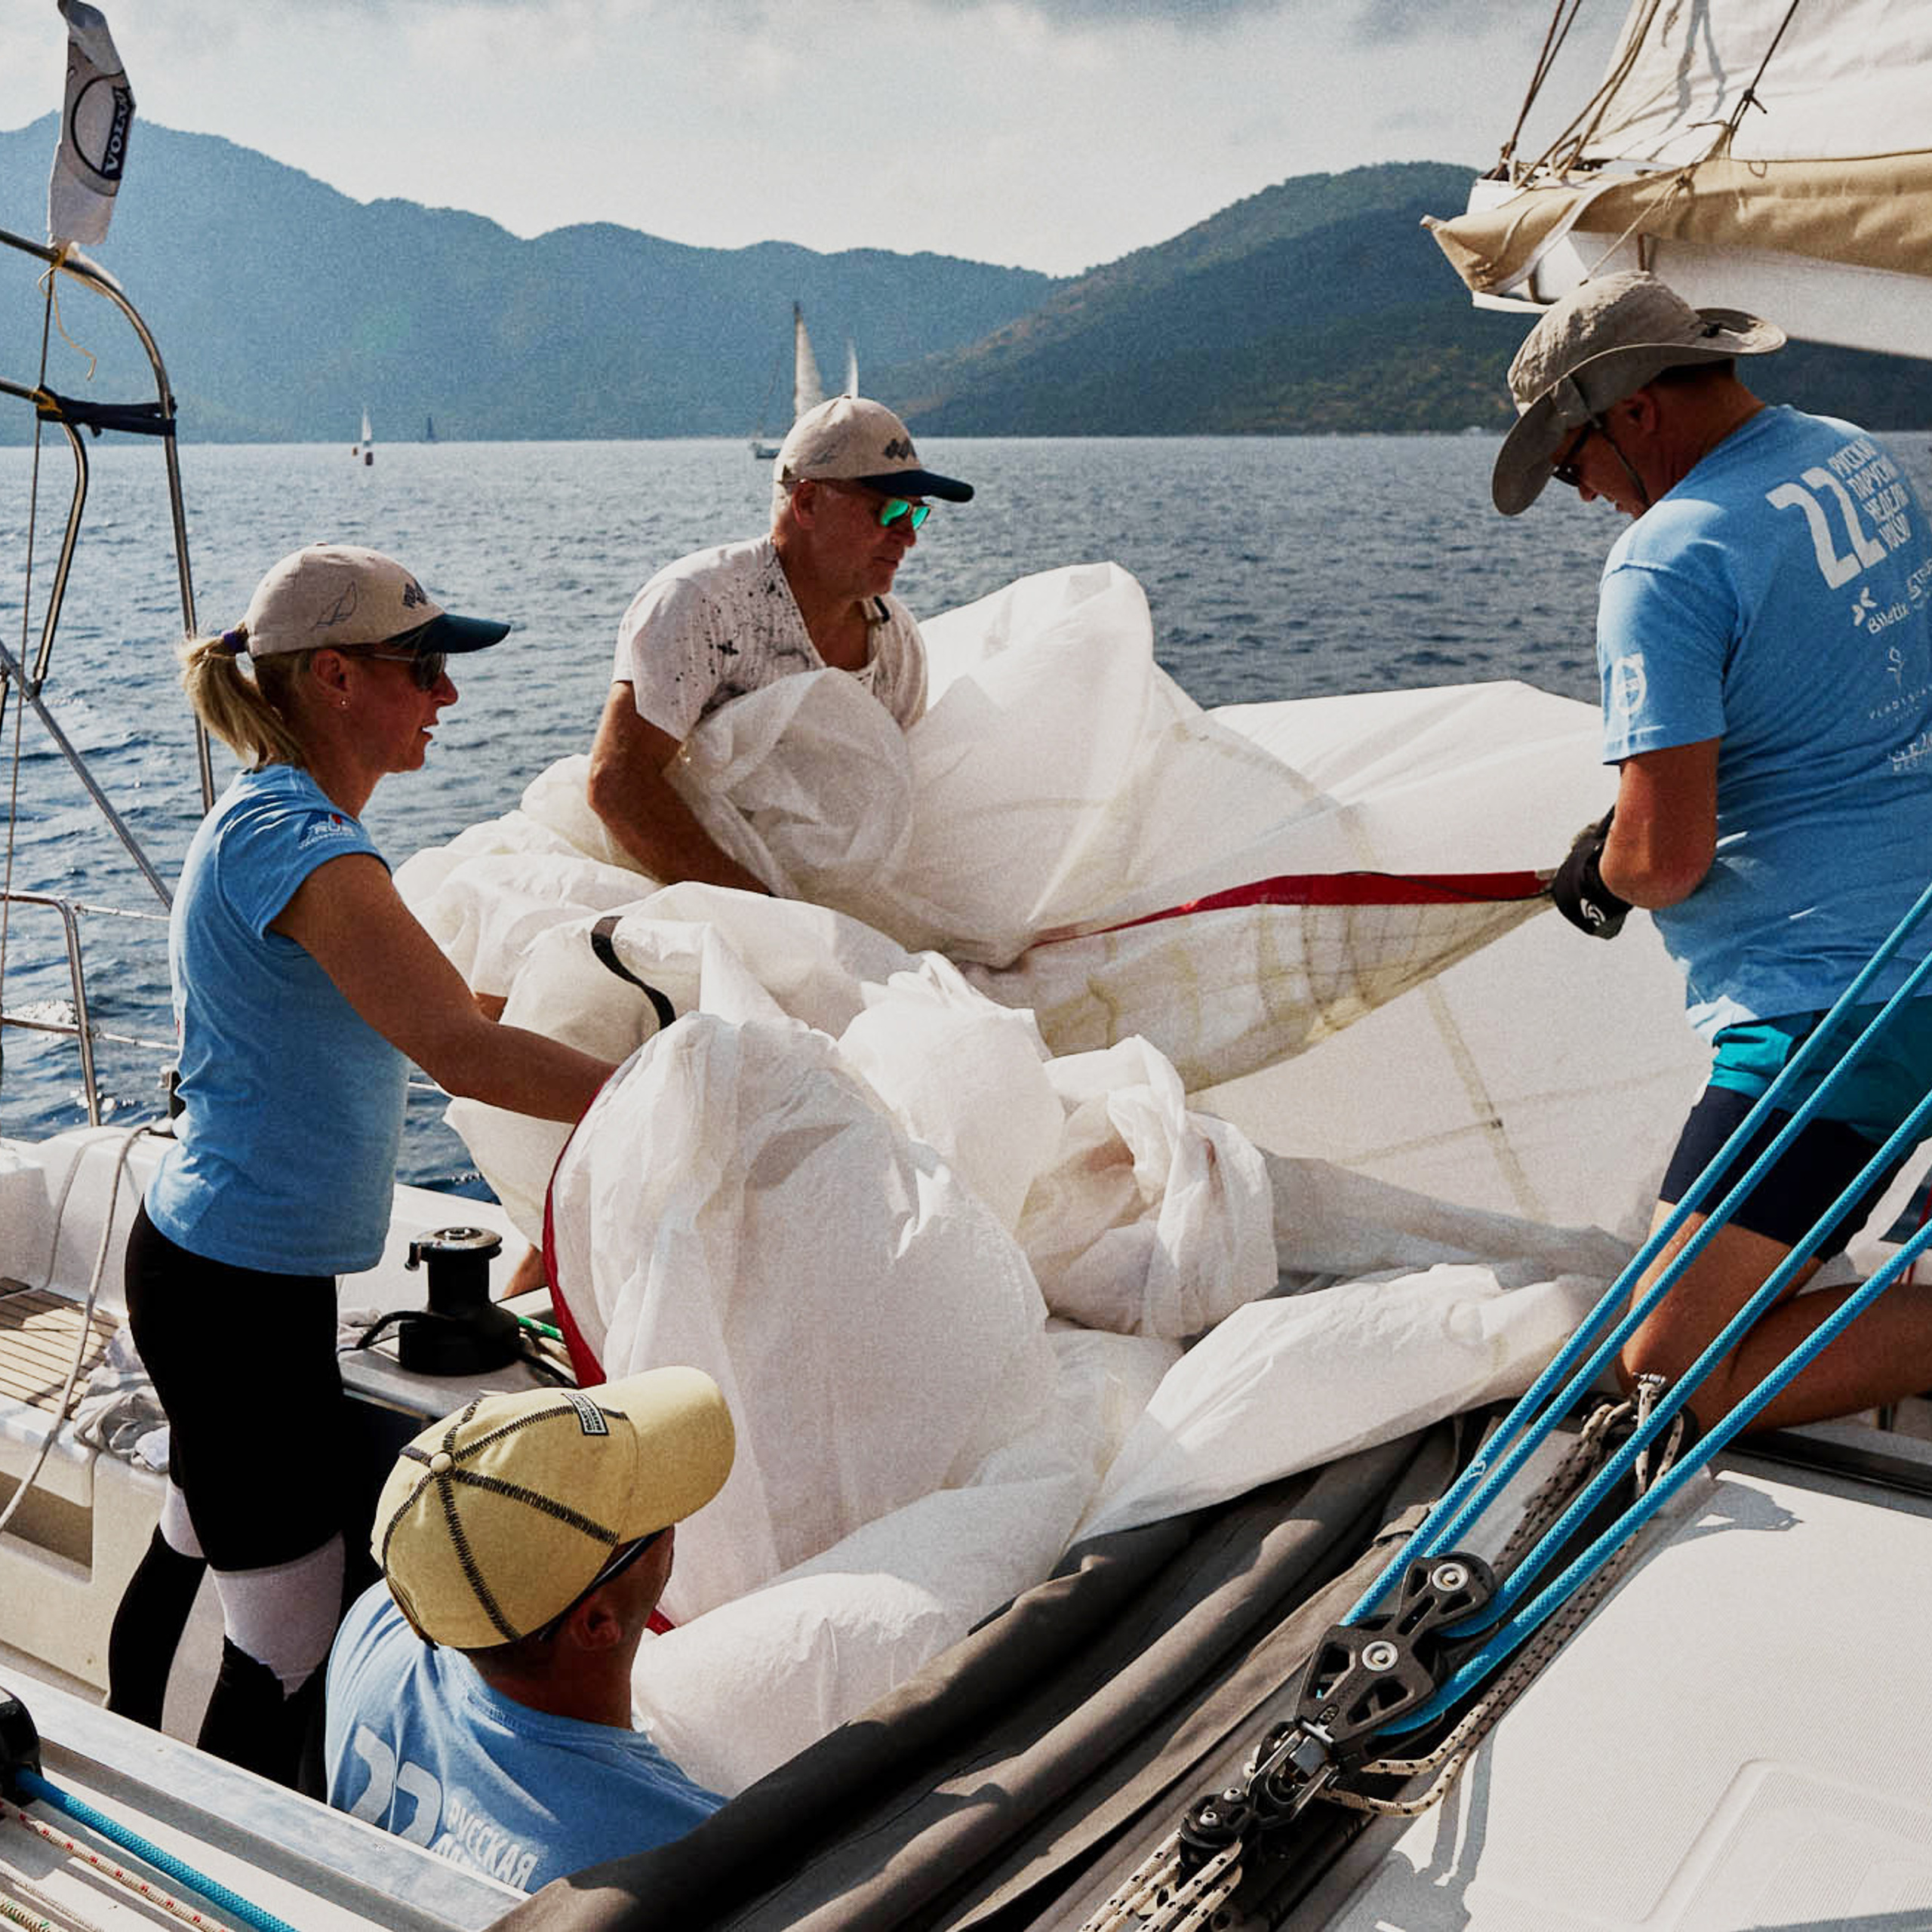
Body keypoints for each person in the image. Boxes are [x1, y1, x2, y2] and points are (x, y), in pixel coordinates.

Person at [106, 545, 621, 1785]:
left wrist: (602, 1001)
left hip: (217, 1267)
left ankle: (133, 1743)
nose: (448, 697)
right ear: (335, 676)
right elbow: (457, 1045)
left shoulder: (281, 824)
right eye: (425, 667)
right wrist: (655, 1094)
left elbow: (436, 1004)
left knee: (196, 1536)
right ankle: (214, 1860)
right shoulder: (301, 840)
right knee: (287, 1637)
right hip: (235, 1291)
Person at [1494, 269, 1932, 1432]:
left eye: (1573, 456)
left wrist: (1604, 868)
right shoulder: (1851, 456)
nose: (1585, 495)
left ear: (1634, 411)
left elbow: (1668, 858)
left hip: (1837, 1007)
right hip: (1913, 943)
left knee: (1670, 1370)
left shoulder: (1669, 561)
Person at [325, 1367, 734, 1890]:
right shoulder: (673, 1848)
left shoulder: (376, 1623)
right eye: (647, 1513)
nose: (671, 1524)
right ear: (596, 1622)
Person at [586, 395, 974, 891]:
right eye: (890, 510)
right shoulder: (700, 603)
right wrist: (770, 915)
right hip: (690, 884)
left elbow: (892, 797)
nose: (908, 537)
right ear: (807, 502)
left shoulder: (895, 640)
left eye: (916, 514)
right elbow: (619, 783)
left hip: (826, 887)